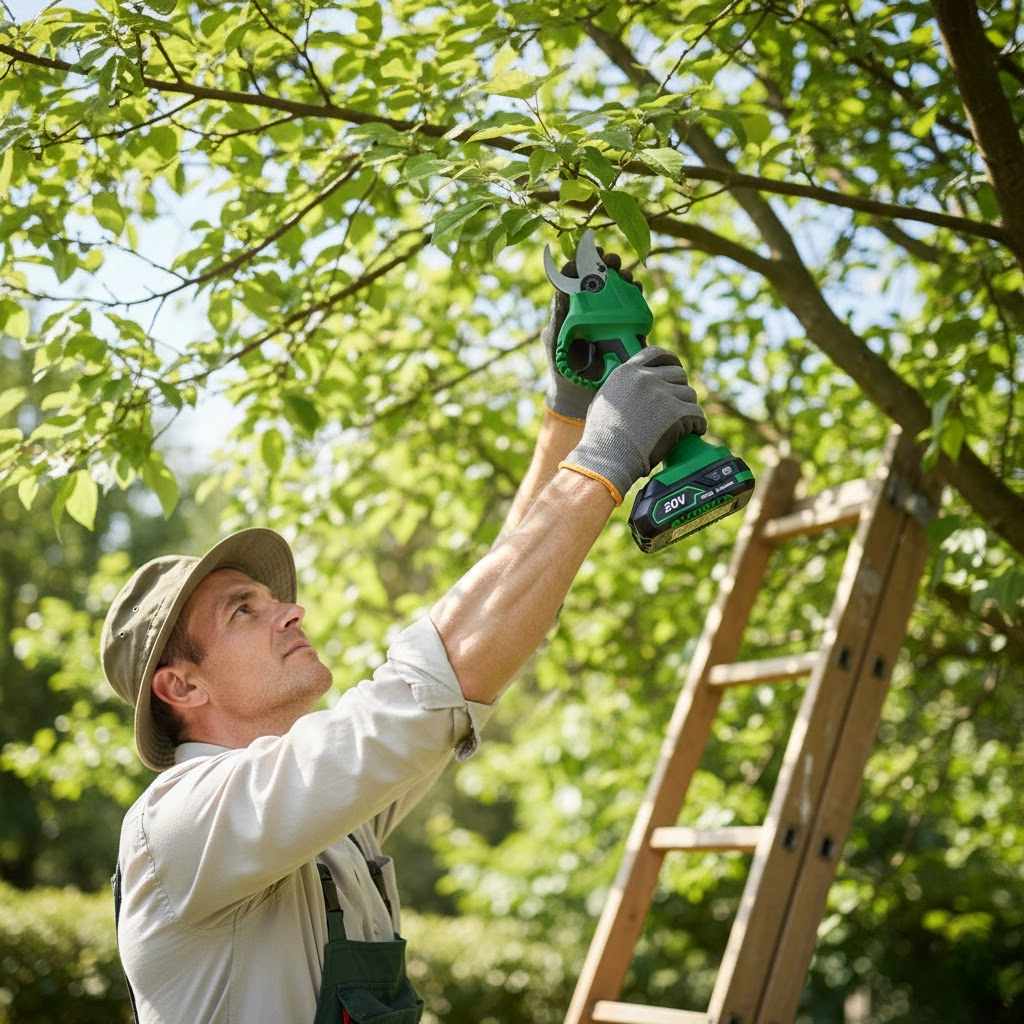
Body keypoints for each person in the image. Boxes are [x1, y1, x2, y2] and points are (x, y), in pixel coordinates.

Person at [102, 255, 707, 1024]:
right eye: (243, 611)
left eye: (274, 599)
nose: (291, 613)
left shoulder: (334, 825)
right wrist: (604, 460)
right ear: (181, 686)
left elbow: (492, 633)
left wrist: (570, 416)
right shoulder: (180, 827)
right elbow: (429, 690)